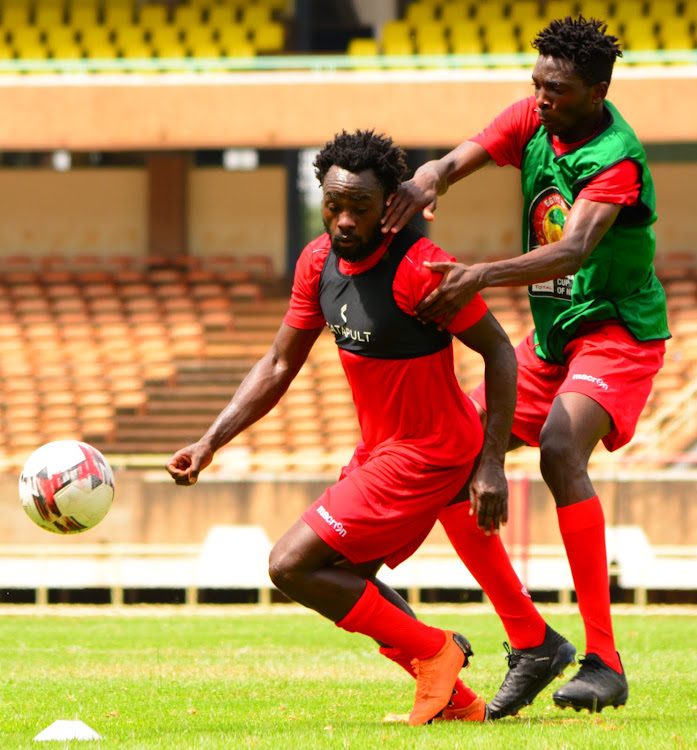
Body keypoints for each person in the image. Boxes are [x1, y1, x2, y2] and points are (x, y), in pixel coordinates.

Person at [167, 129, 523, 725]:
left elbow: (502, 352)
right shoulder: (316, 261)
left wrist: (492, 465)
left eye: (361, 207)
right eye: (335, 205)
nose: (345, 221)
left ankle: (437, 650)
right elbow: (280, 363)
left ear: (391, 205)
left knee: (289, 565)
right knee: (342, 580)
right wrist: (209, 442)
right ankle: (455, 699)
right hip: (381, 449)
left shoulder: (422, 270)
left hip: (431, 450)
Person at [382, 16, 670, 715]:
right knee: (454, 451)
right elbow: (453, 162)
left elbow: (571, 251)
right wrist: (424, 181)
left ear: (597, 90)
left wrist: (477, 274)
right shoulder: (532, 116)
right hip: (549, 344)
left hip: (615, 334)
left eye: (558, 91)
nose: (541, 99)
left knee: (557, 448)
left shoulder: (614, 156)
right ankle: (531, 639)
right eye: (536, 85)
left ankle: (603, 660)